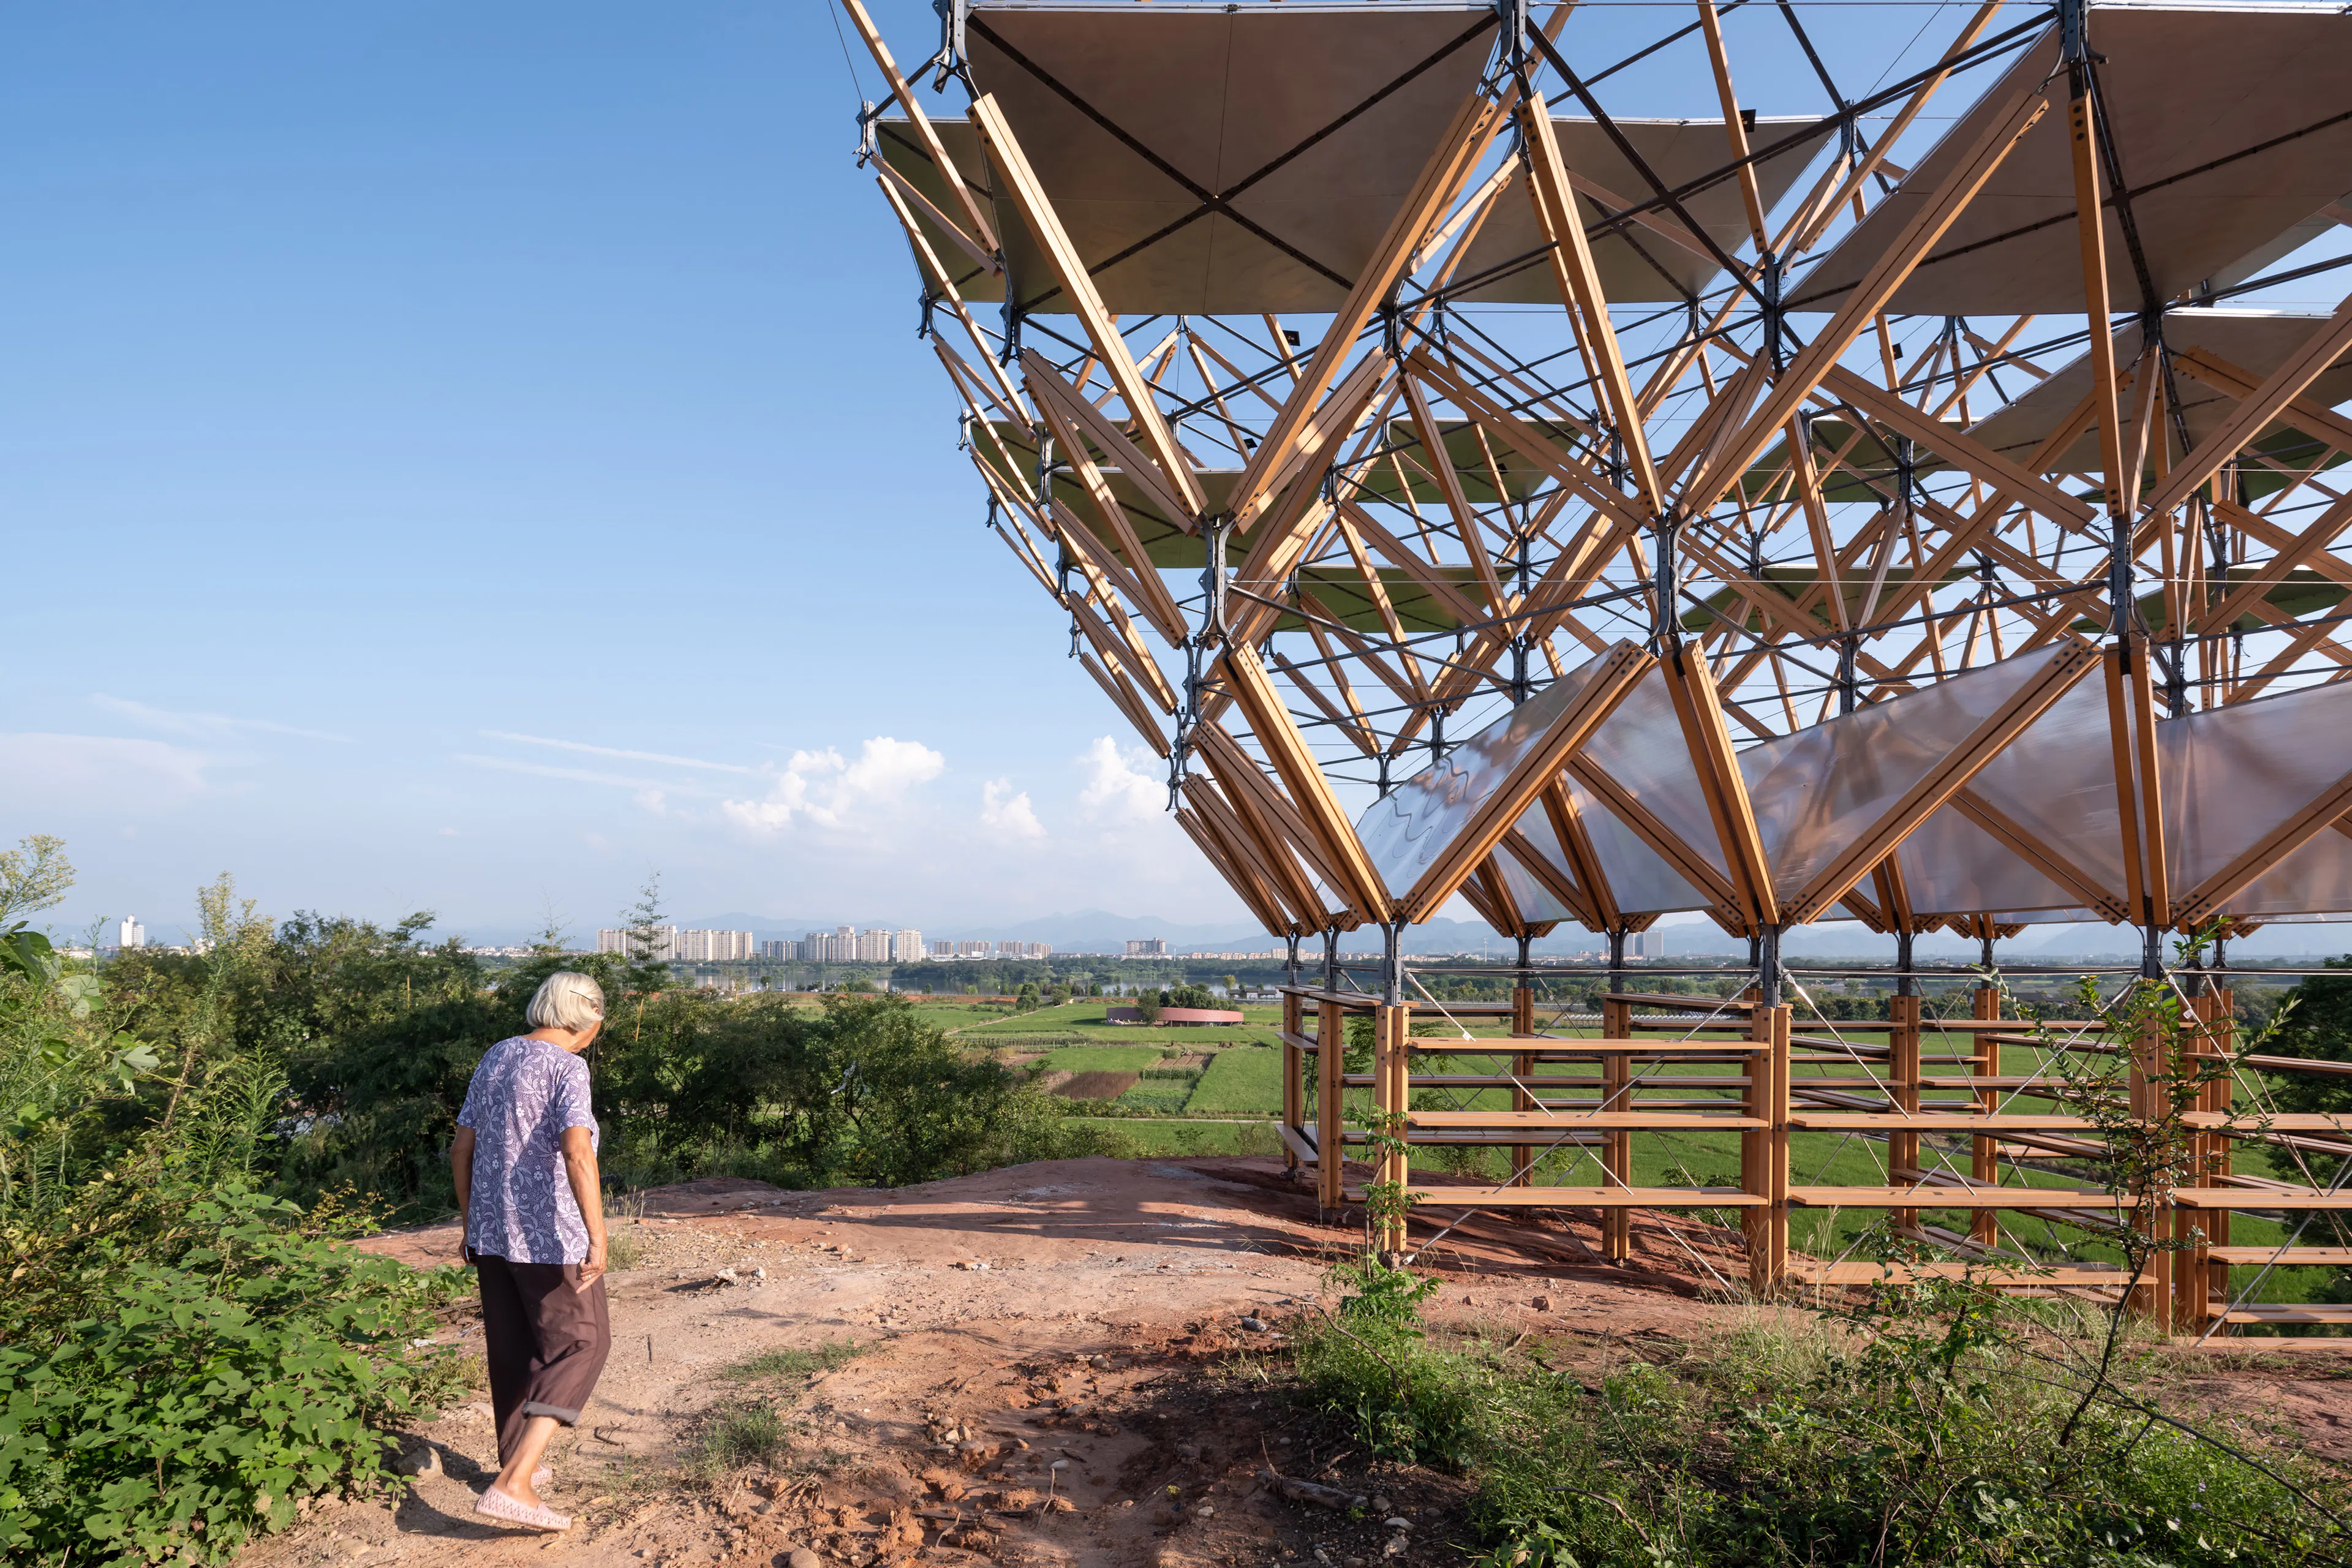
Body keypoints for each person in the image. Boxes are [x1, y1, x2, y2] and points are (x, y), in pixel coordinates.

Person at [449, 971, 613, 1532]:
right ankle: (514, 1484)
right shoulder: (568, 1067)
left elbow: (461, 1148)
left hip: (492, 1233)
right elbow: (577, 1152)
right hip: (549, 1237)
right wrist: (597, 1235)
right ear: (588, 1020)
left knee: (515, 1345)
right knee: (583, 1342)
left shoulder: (497, 1055)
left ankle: (517, 1459)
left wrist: (472, 1223)